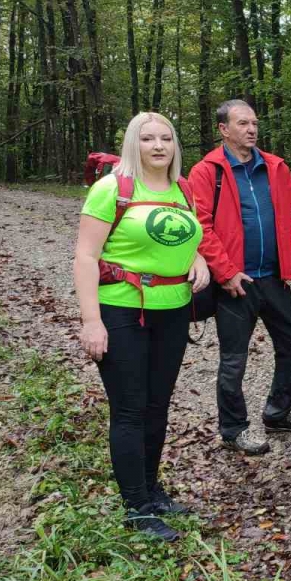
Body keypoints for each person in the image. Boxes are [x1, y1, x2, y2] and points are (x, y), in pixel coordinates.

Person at [73, 112, 210, 542]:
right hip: (122, 310)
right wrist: (91, 321)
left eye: (165, 138)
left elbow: (185, 239)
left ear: (174, 145)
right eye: (147, 138)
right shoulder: (111, 189)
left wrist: (198, 259)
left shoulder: (182, 189)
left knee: (157, 404)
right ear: (134, 144)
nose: (157, 146)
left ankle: (152, 491)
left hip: (172, 311)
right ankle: (135, 507)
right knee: (130, 408)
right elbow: (85, 257)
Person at [189, 99, 291, 456]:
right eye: (243, 123)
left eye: (254, 123)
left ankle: (277, 412)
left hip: (274, 277)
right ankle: (233, 428)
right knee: (234, 360)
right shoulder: (208, 172)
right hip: (235, 282)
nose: (252, 129)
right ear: (223, 129)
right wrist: (225, 271)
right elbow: (200, 226)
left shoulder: (275, 167)